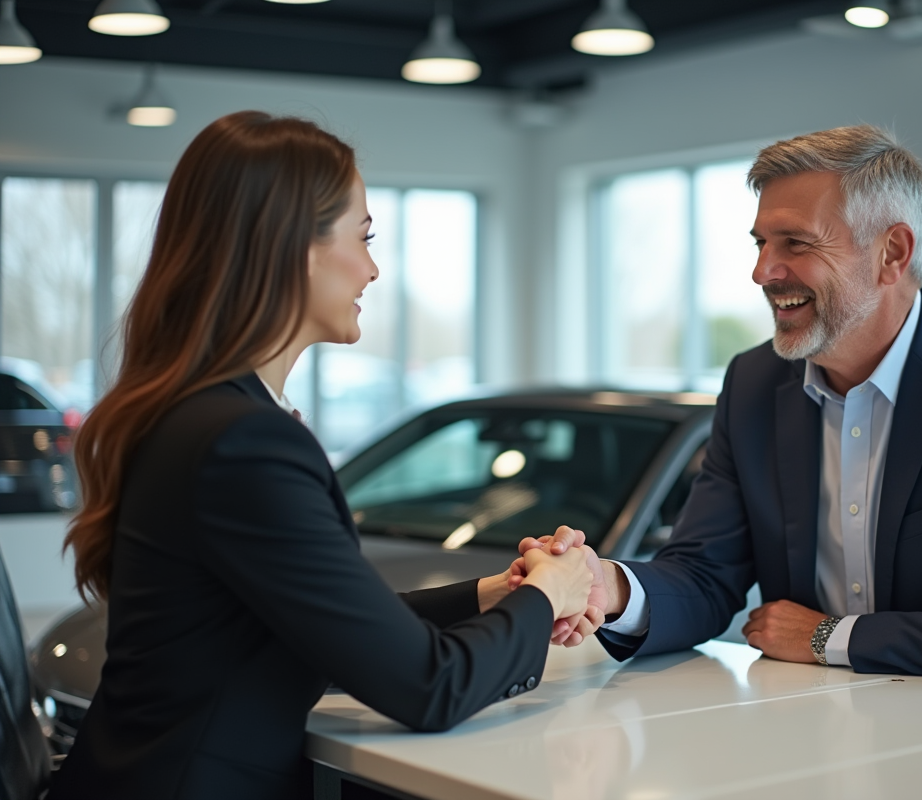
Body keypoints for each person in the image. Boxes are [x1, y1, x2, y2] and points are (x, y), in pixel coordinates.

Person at [50, 111, 598, 800]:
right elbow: (428, 687)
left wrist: (498, 594)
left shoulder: (202, 414)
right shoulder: (243, 441)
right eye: (363, 237)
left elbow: (324, 624)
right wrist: (551, 597)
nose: (372, 268)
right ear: (289, 248)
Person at [517, 124, 922, 696]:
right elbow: (704, 574)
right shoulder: (753, 382)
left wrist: (829, 637)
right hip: (820, 727)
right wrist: (611, 587)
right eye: (761, 244)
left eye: (795, 243)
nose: (762, 272)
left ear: (892, 253)